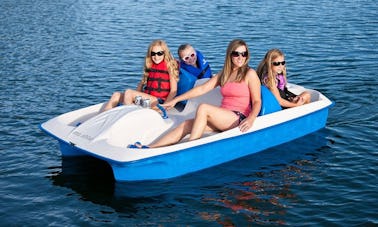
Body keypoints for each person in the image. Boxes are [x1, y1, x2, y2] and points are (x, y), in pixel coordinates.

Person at [129, 39, 261, 149]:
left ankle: (192, 147)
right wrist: (176, 100)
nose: (240, 58)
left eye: (243, 54)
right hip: (223, 117)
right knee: (186, 124)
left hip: (238, 117)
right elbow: (202, 89)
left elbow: (257, 101)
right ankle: (149, 148)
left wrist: (251, 119)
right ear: (230, 55)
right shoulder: (225, 74)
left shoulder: (250, 74)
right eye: (236, 54)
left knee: (204, 108)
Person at [102, 40, 179, 112]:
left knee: (129, 92)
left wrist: (164, 107)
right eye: (153, 54)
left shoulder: (170, 66)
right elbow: (140, 86)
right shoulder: (150, 66)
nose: (156, 56)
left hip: (158, 101)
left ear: (165, 53)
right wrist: (133, 99)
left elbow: (173, 91)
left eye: (159, 53)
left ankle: (127, 117)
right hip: (146, 100)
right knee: (116, 95)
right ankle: (102, 119)